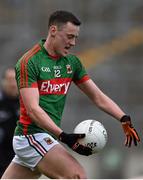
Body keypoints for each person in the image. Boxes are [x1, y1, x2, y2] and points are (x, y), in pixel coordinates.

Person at [2, 10, 140, 179]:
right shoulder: (29, 62)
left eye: (75, 38)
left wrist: (123, 118)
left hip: (45, 138)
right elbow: (33, 110)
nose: (73, 42)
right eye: (69, 36)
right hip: (31, 137)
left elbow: (98, 96)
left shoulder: (72, 63)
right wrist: (64, 136)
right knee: (76, 176)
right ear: (53, 31)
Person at [0, 68, 19, 178]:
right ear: (3, 82)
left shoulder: (28, 103)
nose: (12, 84)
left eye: (15, 80)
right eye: (9, 80)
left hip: (19, 159)